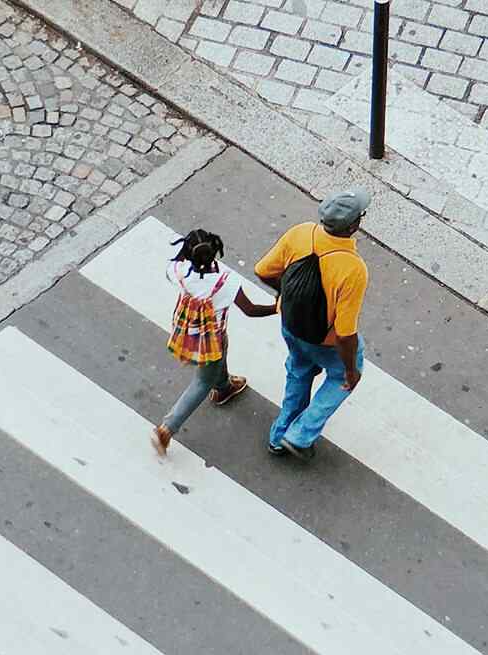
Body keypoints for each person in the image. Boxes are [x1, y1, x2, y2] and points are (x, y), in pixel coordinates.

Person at [255, 188, 371, 462]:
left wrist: (284, 296)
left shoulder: (301, 233)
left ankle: (278, 436)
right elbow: (345, 334)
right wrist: (351, 371)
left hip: (291, 325)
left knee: (299, 371)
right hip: (325, 342)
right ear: (353, 225)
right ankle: (299, 435)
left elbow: (263, 270)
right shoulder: (353, 269)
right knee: (340, 379)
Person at [151, 228, 276, 457]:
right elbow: (251, 310)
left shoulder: (177, 270)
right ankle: (167, 429)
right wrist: (277, 307)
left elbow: (177, 265)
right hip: (211, 338)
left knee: (216, 365)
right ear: (215, 251)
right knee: (202, 381)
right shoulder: (225, 280)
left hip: (189, 329)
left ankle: (224, 387)